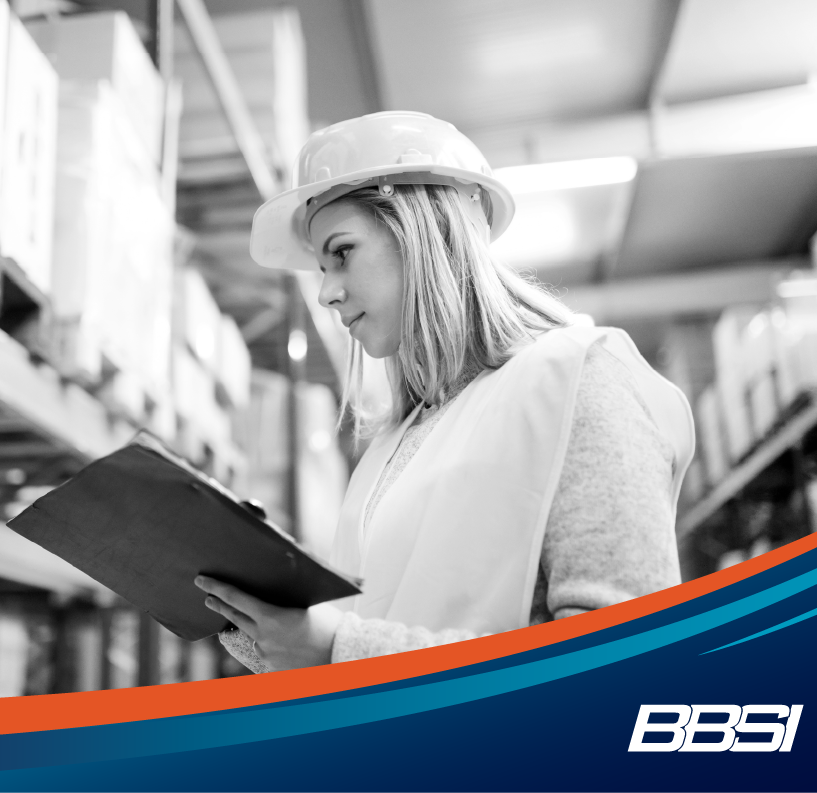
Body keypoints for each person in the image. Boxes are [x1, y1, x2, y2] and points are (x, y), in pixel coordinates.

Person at [194, 111, 695, 673]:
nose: (327, 294)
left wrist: (334, 650)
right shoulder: (390, 451)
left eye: (342, 252)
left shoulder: (581, 378)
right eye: (320, 268)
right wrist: (279, 641)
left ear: (421, 230)